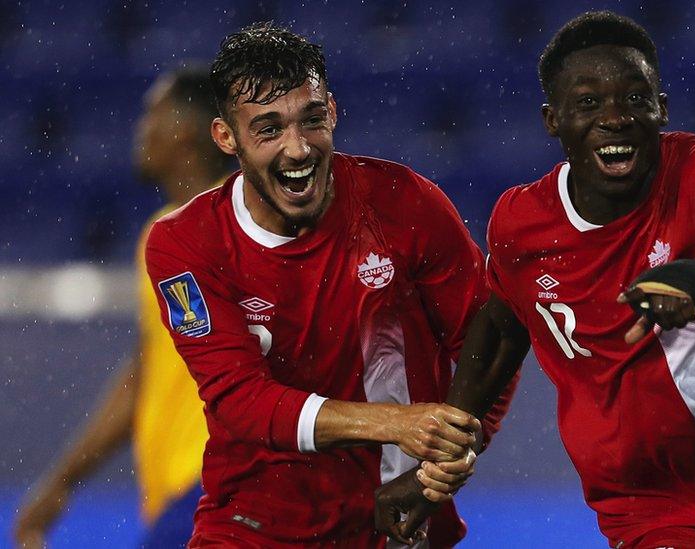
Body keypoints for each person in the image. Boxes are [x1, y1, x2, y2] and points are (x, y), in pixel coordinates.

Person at [376, 11, 695, 549]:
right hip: (653, 514)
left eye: (635, 99)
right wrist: (442, 461)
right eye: (588, 103)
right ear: (552, 119)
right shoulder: (520, 224)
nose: (614, 118)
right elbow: (501, 326)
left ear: (661, 109)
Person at [143, 22, 513, 547]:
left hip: (396, 519)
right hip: (251, 526)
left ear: (333, 112)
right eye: (268, 129)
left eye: (311, 121)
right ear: (227, 137)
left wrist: (444, 462)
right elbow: (242, 401)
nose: (298, 149)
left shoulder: (405, 205)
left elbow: (492, 337)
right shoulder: (184, 244)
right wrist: (398, 424)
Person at [15, 68, 227, 547]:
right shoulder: (163, 233)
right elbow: (147, 371)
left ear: (186, 131)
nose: (141, 129)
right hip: (184, 499)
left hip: (215, 490)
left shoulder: (238, 227)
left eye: (153, 113)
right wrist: (63, 480)